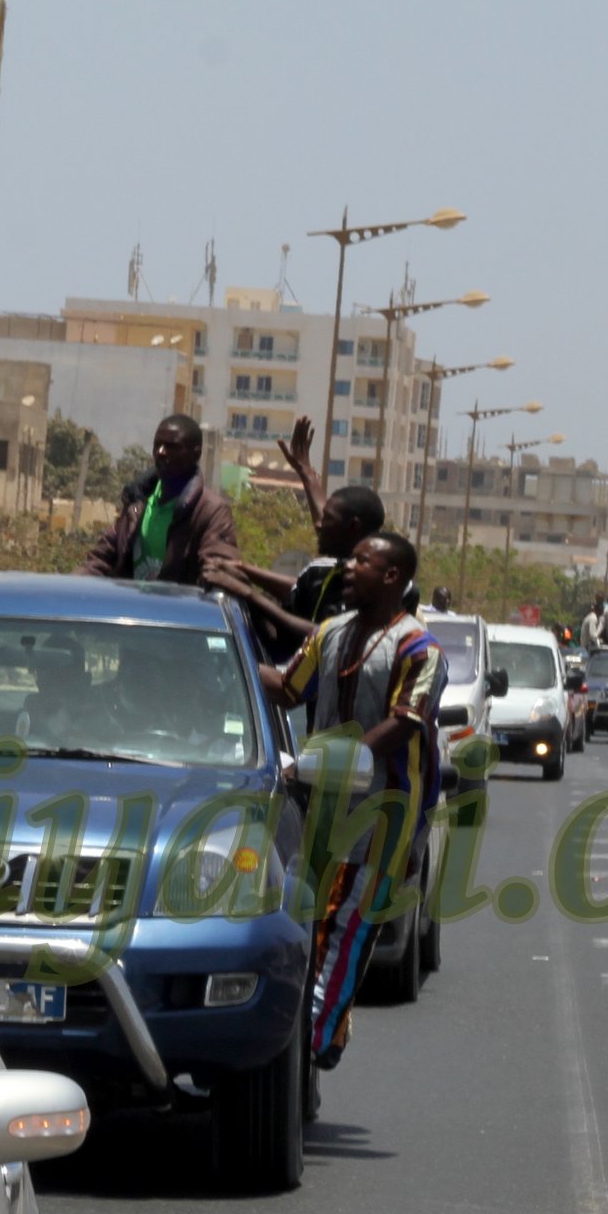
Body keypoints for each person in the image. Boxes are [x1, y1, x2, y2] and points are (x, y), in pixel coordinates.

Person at [254, 531, 443, 1070]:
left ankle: (309, 1045)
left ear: (392, 577)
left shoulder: (418, 649)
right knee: (308, 926)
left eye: (363, 560)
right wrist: (233, 655)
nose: (349, 568)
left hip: (383, 819)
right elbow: (289, 688)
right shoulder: (331, 633)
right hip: (321, 812)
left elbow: (406, 722)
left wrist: (338, 759)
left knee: (345, 929)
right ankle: (313, 1040)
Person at [207, 472, 389, 661]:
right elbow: (295, 592)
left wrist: (248, 593)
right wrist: (239, 572)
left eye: (327, 519)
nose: (318, 525)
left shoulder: (379, 588)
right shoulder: (325, 570)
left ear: (353, 526)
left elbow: (326, 635)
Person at [79, 413, 240, 585]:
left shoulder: (211, 512)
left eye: (172, 446)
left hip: (173, 611)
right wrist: (70, 588)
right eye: (157, 445)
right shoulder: (138, 501)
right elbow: (102, 557)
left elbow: (220, 576)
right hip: (130, 609)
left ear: (196, 453)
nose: (161, 452)